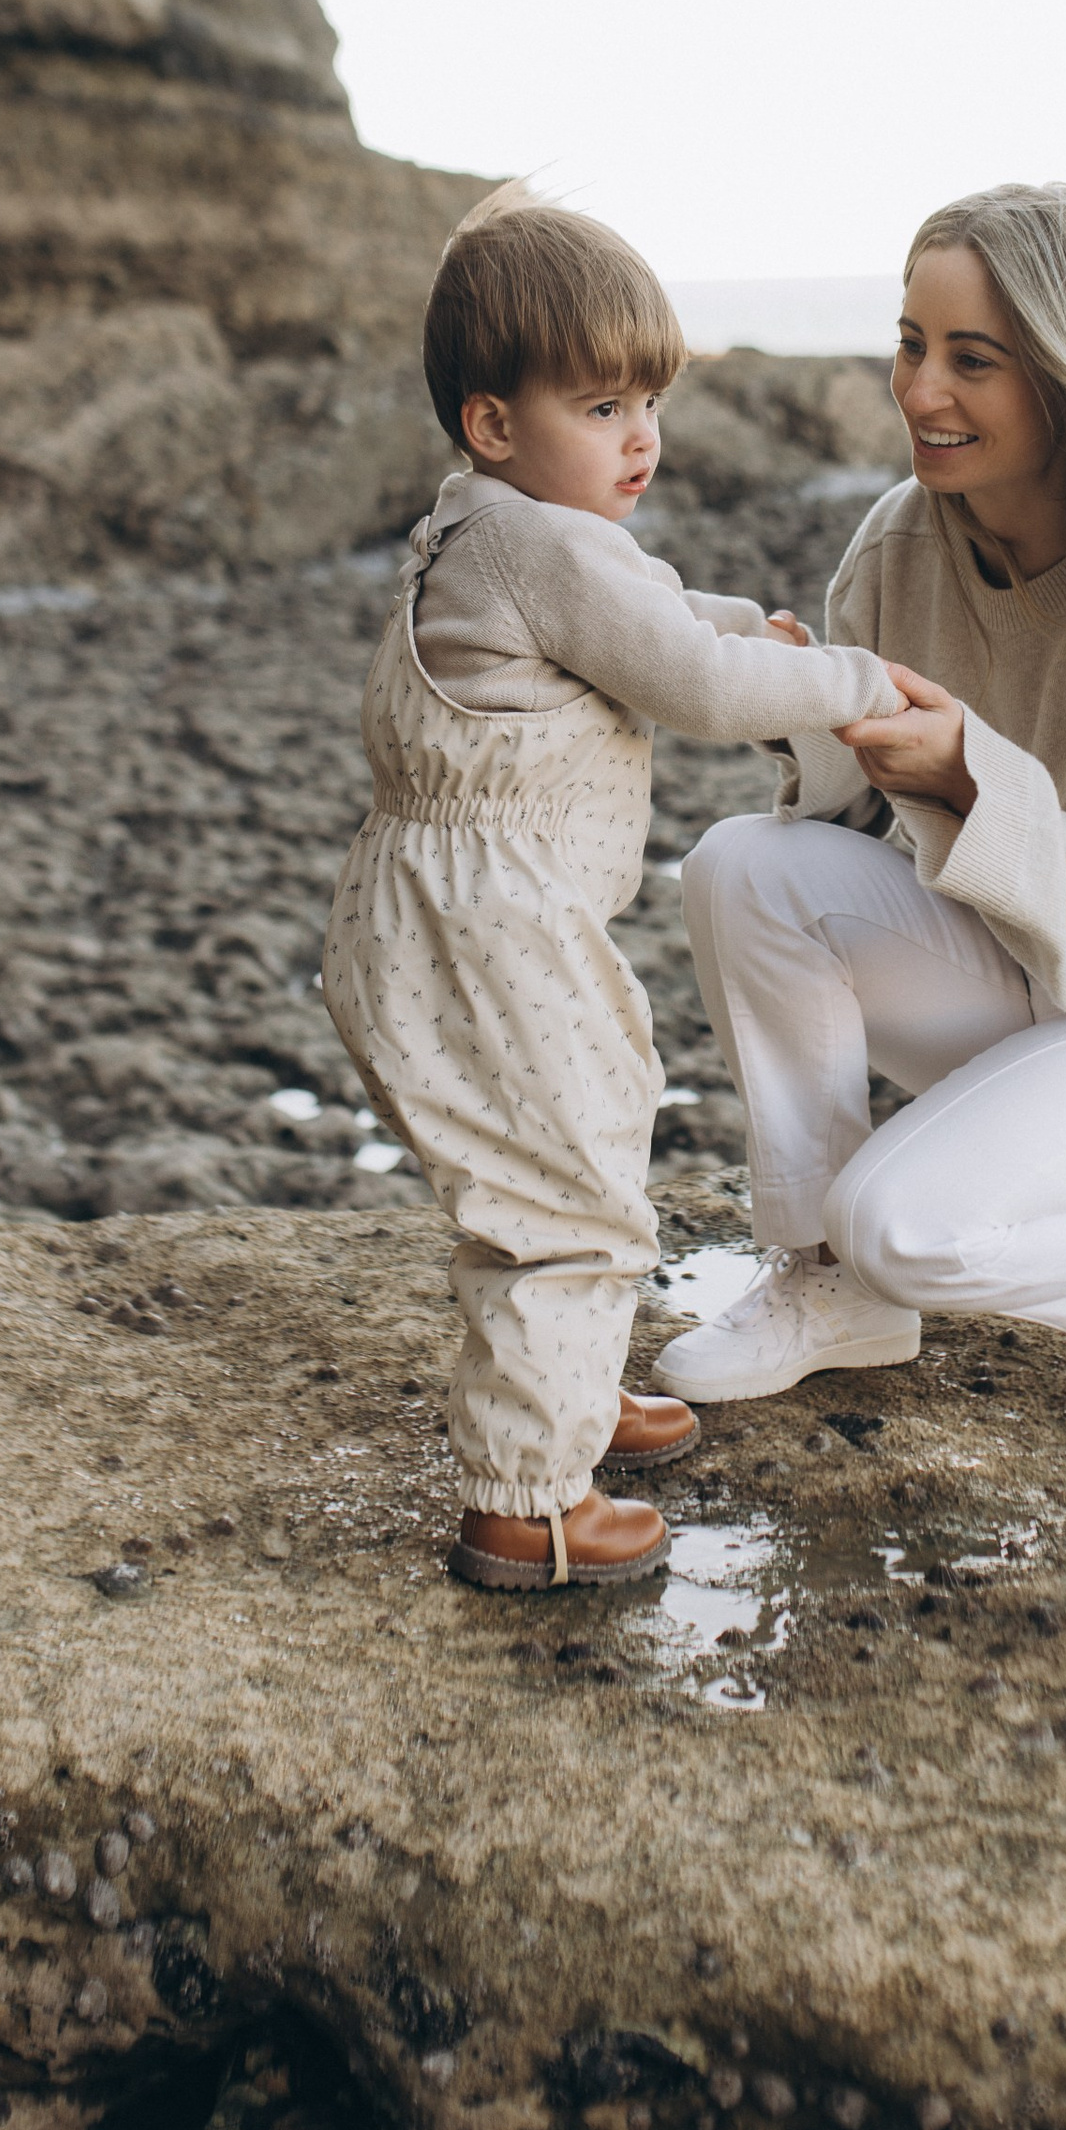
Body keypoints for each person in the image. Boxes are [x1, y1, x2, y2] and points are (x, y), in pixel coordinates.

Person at [656, 179, 1066, 1426]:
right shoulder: (903, 542)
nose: (918, 392)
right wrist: (807, 708)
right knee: (739, 866)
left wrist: (973, 776)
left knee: (902, 1224)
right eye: (910, 345)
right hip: (1020, 973)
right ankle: (825, 1283)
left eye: (972, 359)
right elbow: (855, 830)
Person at [322, 189, 900, 1593]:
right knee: (570, 1187)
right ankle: (530, 1502)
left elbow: (642, 622)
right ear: (493, 424)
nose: (639, 435)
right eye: (599, 404)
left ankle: (565, 1396)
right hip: (491, 929)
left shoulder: (480, 529)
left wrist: (720, 618)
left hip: (429, 916)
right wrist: (851, 679)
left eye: (648, 398)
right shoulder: (548, 541)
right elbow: (688, 681)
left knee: (554, 1156)